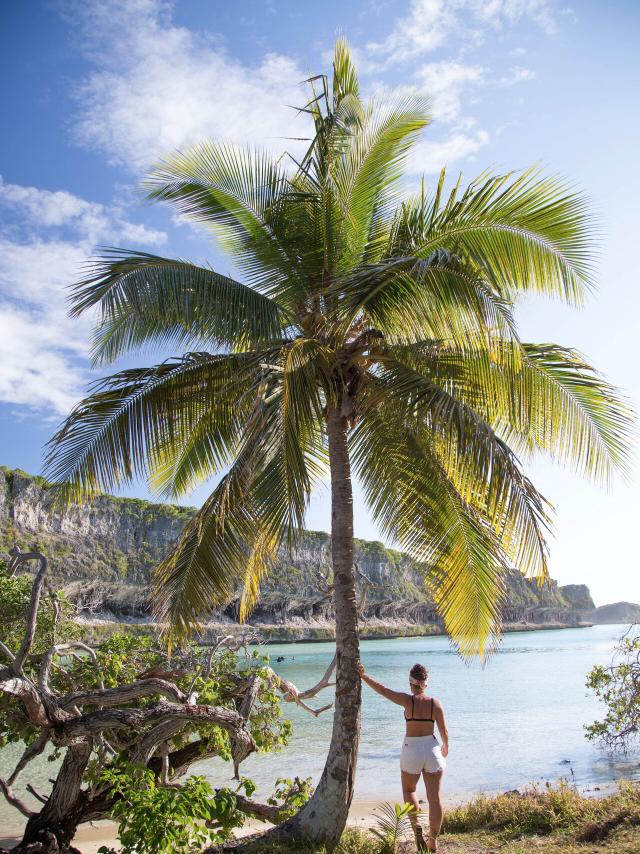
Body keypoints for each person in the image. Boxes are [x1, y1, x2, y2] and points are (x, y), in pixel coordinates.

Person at [358, 661, 448, 853]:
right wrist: (446, 746)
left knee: (409, 790)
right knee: (435, 798)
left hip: (412, 749)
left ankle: (417, 830)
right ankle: (433, 842)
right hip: (432, 750)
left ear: (411, 683)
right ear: (425, 683)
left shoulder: (407, 701)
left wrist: (364, 676)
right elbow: (444, 732)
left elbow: (383, 690)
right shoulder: (435, 703)